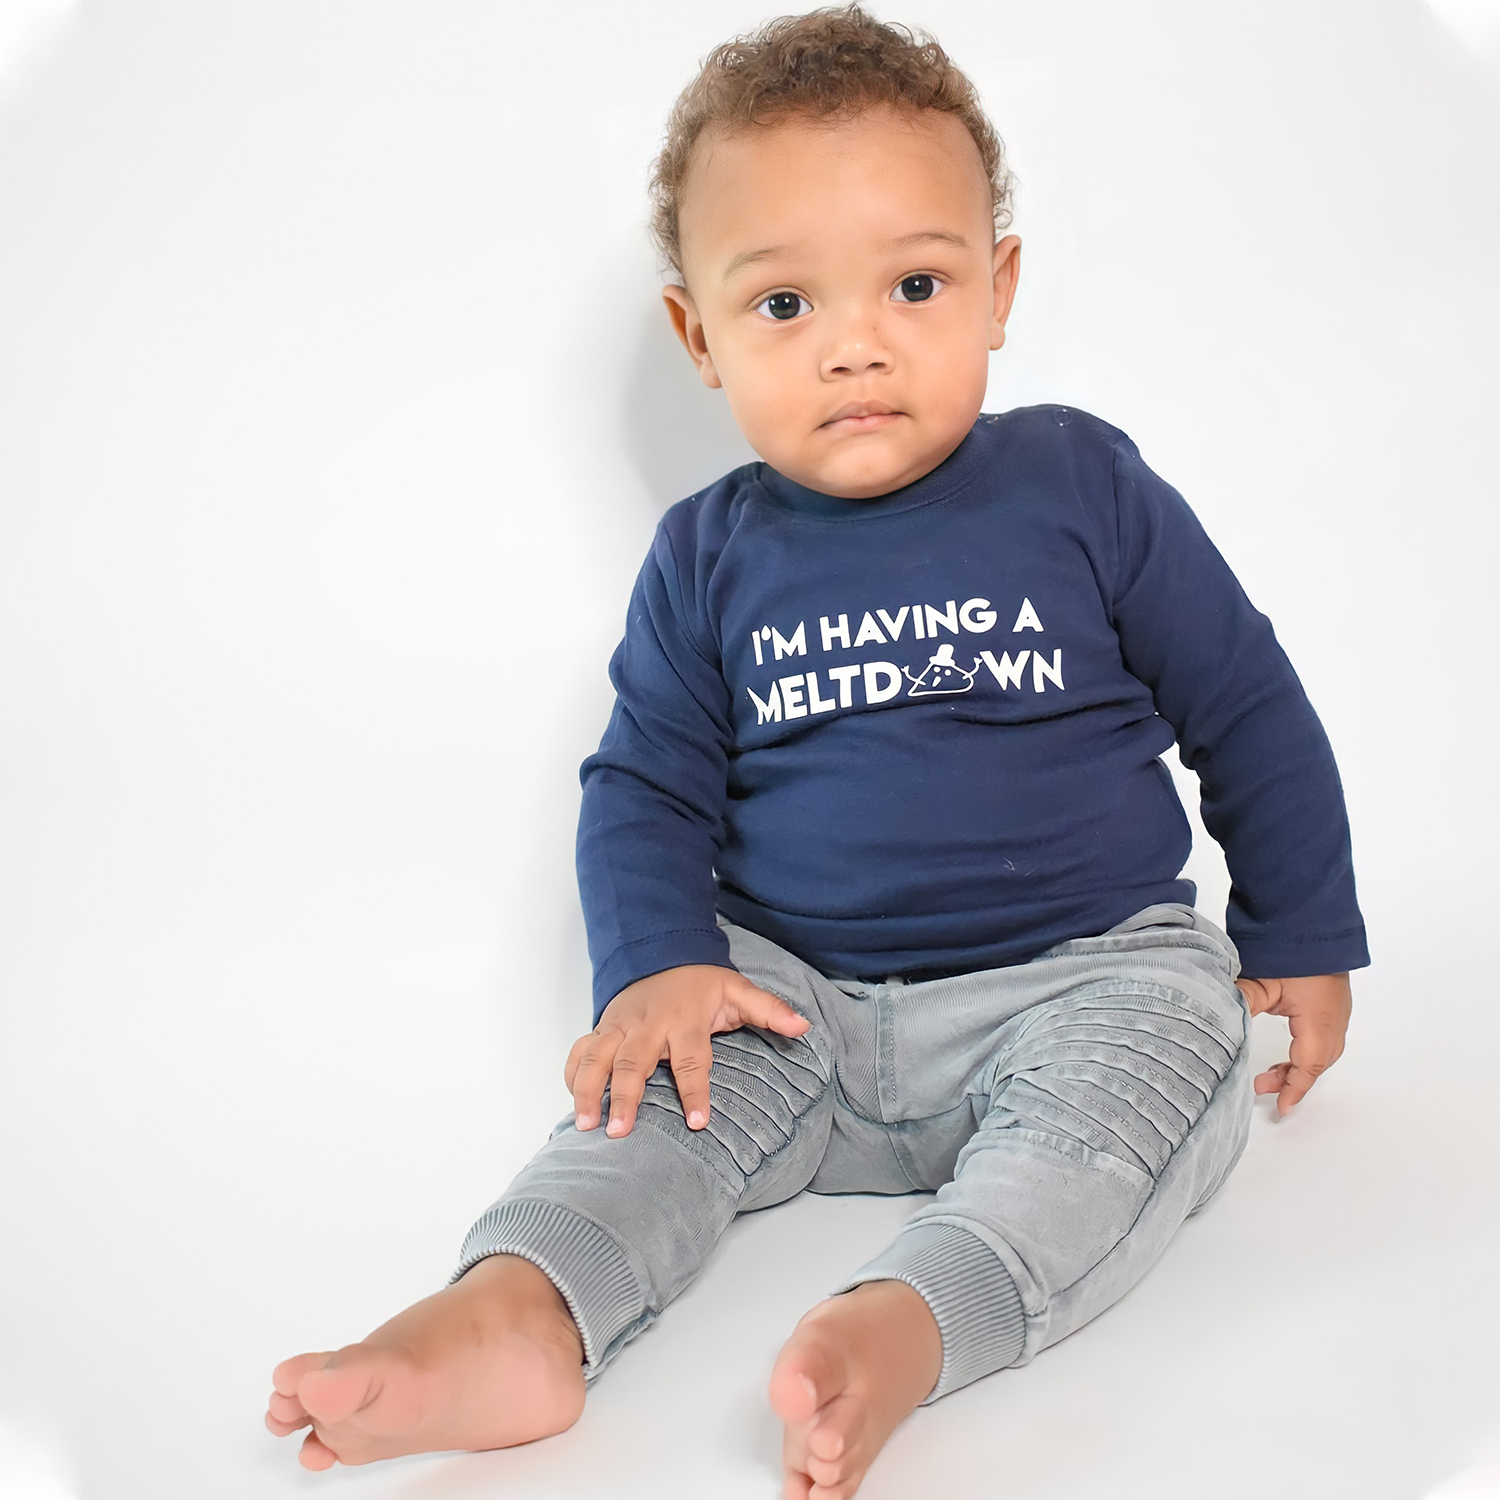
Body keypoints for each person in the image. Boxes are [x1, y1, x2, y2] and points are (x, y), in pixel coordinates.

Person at [265, 8, 1367, 1497]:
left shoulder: (1083, 485)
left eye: (915, 283)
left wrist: (1300, 925)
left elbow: (1246, 705)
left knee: (1164, 1069)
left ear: (999, 291)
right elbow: (646, 782)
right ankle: (517, 1315)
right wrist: (656, 967)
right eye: (784, 306)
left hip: (1081, 973)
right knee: (645, 1108)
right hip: (790, 1001)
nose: (856, 342)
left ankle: (908, 1320)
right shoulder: (708, 553)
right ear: (697, 336)